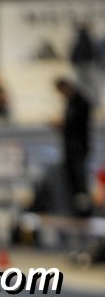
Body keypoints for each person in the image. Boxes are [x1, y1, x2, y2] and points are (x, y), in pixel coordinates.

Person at [53, 77, 92, 217]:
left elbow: (76, 124)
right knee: (72, 181)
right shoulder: (70, 102)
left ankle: (84, 210)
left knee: (80, 181)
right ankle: (76, 208)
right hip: (70, 148)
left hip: (78, 148)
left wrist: (63, 125)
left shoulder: (80, 102)